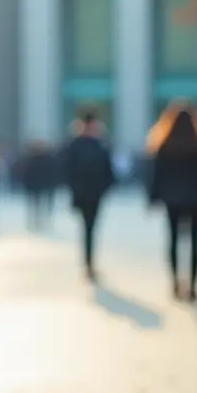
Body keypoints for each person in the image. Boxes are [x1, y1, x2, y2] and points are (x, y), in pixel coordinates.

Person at [146, 102, 197, 302]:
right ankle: (192, 285)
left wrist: (153, 198)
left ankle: (175, 281)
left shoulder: (164, 145)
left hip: (172, 199)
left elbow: (157, 175)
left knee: (173, 240)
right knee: (195, 242)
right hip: (195, 200)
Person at [62, 108, 116, 283]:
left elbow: (108, 171)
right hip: (83, 193)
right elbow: (68, 171)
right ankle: (88, 263)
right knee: (87, 228)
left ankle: (89, 263)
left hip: (94, 193)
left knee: (90, 228)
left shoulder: (97, 144)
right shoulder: (78, 145)